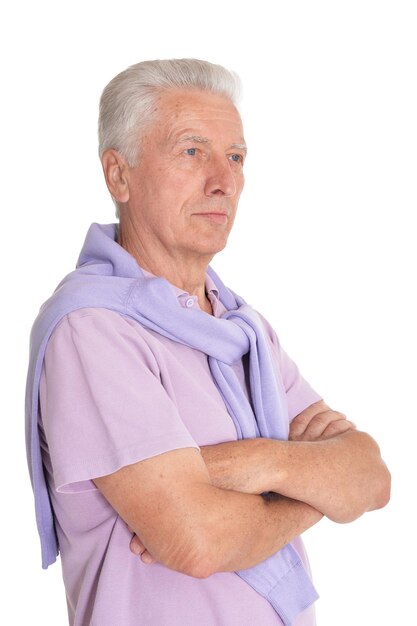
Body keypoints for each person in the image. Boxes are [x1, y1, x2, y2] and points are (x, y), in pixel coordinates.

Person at [25, 59, 390, 626]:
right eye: (192, 151)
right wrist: (312, 482)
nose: (223, 180)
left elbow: (370, 477)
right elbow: (197, 542)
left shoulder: (241, 327)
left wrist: (258, 464)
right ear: (118, 175)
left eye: (236, 157)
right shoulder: (93, 329)